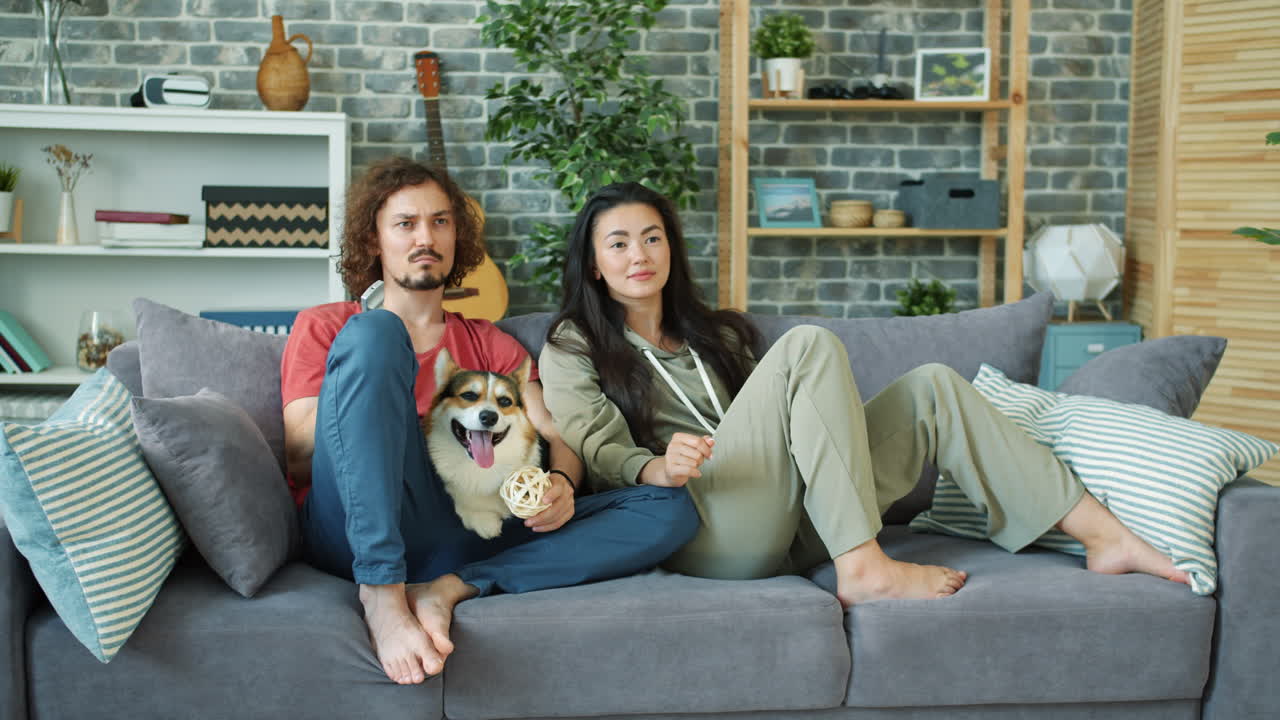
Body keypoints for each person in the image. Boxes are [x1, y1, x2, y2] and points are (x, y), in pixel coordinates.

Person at [538, 181, 1189, 608]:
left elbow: (793, 430)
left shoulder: (716, 335)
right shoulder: (574, 344)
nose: (638, 255)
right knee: (809, 345)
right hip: (701, 528)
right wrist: (655, 466)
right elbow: (594, 449)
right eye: (618, 243)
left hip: (792, 519)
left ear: (671, 249)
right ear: (594, 263)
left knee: (934, 387)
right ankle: (865, 567)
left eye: (652, 238)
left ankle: (1104, 537)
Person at [280, 160, 698, 686]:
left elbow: (554, 431)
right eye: (405, 224)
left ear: (459, 236)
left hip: (462, 522)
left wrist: (563, 482)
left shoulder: (490, 343)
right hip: (355, 523)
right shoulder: (330, 327)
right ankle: (382, 593)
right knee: (378, 334)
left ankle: (450, 587)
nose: (425, 237)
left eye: (440, 222)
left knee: (669, 506)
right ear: (374, 238)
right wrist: (408, 409)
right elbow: (300, 451)